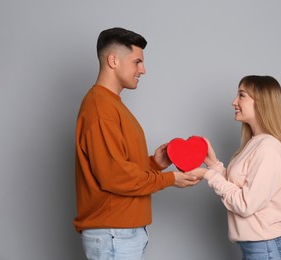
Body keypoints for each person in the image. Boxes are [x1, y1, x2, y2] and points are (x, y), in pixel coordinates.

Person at [73, 27, 200, 260]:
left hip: (122, 234)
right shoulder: (100, 108)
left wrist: (155, 163)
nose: (143, 70)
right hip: (114, 235)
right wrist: (171, 179)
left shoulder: (112, 105)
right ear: (113, 60)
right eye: (137, 62)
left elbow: (120, 167)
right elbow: (114, 176)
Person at [191, 75, 281, 260]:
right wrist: (213, 164)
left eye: (242, 95)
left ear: (262, 102)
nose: (234, 102)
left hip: (268, 248)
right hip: (261, 247)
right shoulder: (255, 143)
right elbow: (239, 187)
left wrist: (208, 175)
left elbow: (246, 204)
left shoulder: (268, 148)